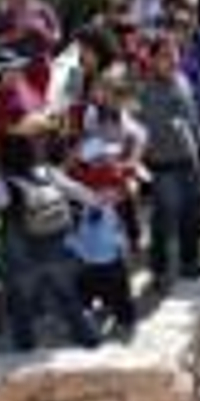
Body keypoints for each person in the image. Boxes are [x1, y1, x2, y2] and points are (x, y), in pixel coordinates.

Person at [0, 114, 103, 351]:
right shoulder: (49, 173)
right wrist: (96, 203)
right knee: (67, 296)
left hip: (21, 253)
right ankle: (90, 340)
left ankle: (24, 349)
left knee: (21, 303)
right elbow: (79, 191)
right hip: (55, 244)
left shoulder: (3, 184)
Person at [138, 36, 200, 285]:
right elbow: (147, 131)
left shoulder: (183, 80)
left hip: (190, 162)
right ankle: (159, 271)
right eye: (166, 55)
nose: (172, 60)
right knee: (164, 220)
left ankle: (191, 264)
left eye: (175, 54)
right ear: (153, 60)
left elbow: (194, 117)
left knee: (194, 216)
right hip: (163, 166)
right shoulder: (146, 91)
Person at [66, 138, 139, 334]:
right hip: (109, 254)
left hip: (84, 253)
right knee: (119, 290)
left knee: (84, 289)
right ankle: (125, 321)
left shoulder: (75, 178)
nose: (110, 158)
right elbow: (125, 194)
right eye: (105, 156)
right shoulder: (111, 176)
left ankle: (88, 319)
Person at [0, 0, 62, 94]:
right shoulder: (3, 11)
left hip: (40, 61)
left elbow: (57, 34)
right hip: (14, 63)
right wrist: (16, 35)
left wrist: (44, 33)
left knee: (41, 95)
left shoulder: (43, 9)